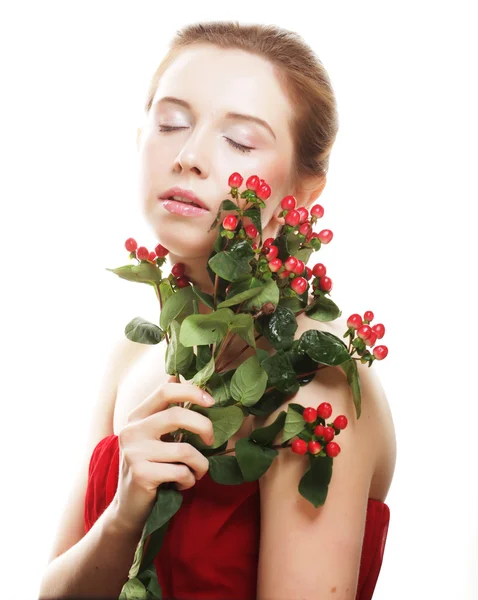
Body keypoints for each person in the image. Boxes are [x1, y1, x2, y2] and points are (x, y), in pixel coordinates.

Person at [38, 20, 396, 600]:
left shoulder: (312, 390)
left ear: (303, 194)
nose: (189, 155)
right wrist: (124, 518)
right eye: (171, 122)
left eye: (240, 140)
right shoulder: (136, 353)